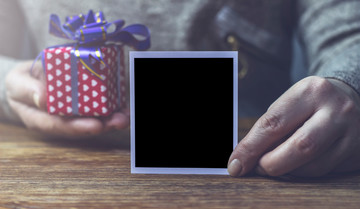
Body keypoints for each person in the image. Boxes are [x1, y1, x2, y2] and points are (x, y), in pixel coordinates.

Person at [1, 0, 360, 177]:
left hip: (259, 167)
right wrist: (5, 82)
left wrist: (349, 84)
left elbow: (348, 34)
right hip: (61, 169)